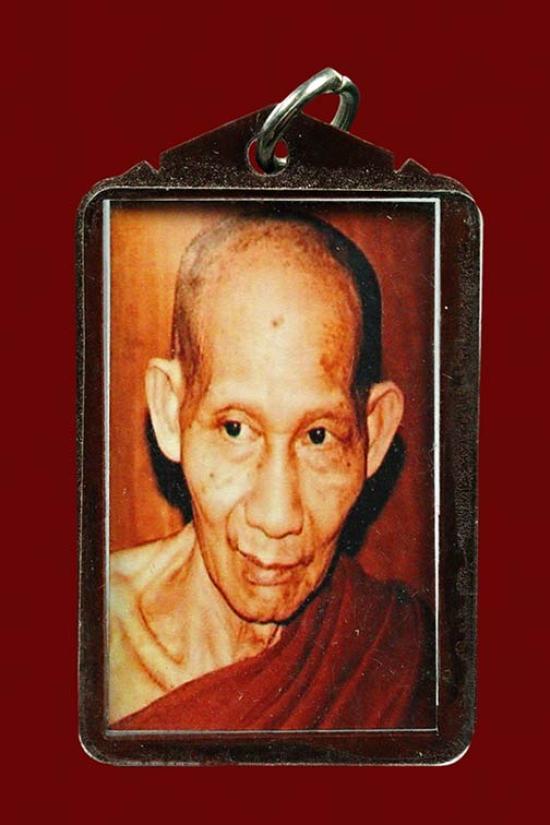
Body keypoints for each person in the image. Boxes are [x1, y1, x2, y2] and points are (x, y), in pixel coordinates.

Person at [109, 209, 434, 731]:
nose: (277, 516)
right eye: (235, 429)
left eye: (318, 436)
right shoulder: (85, 640)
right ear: (171, 413)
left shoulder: (403, 656)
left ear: (373, 435)